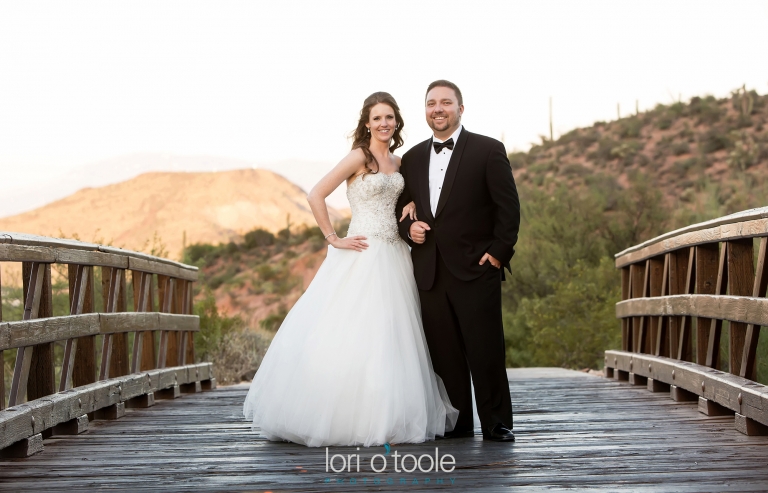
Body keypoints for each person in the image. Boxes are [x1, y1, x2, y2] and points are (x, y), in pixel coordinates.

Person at [243, 92, 457, 447]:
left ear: (397, 122)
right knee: (354, 333)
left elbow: (405, 200)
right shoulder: (360, 156)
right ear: (367, 123)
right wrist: (333, 237)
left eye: (389, 117)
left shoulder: (399, 162)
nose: (384, 124)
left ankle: (387, 414)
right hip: (362, 252)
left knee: (393, 337)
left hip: (395, 255)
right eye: (377, 118)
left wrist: (414, 202)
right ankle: (341, 414)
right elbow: (316, 193)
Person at [396, 80, 520, 442]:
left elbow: (508, 209)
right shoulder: (413, 158)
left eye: (446, 103)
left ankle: (497, 422)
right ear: (425, 111)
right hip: (430, 270)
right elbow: (401, 210)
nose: (439, 109)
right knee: (444, 353)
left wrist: (498, 253)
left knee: (485, 350)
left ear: (460, 109)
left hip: (476, 267)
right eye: (432, 103)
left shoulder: (488, 150)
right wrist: (410, 230)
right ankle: (458, 422)